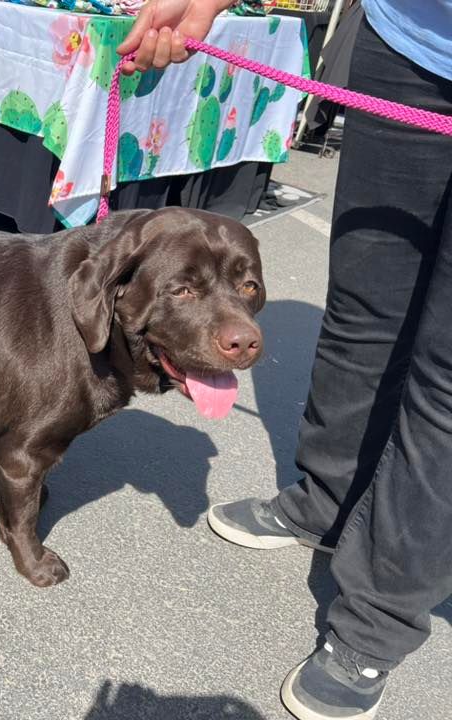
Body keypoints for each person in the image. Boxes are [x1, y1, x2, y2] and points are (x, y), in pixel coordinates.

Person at [119, 1, 452, 719]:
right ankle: (326, 501)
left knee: (448, 381)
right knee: (365, 312)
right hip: (412, 47)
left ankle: (378, 621)